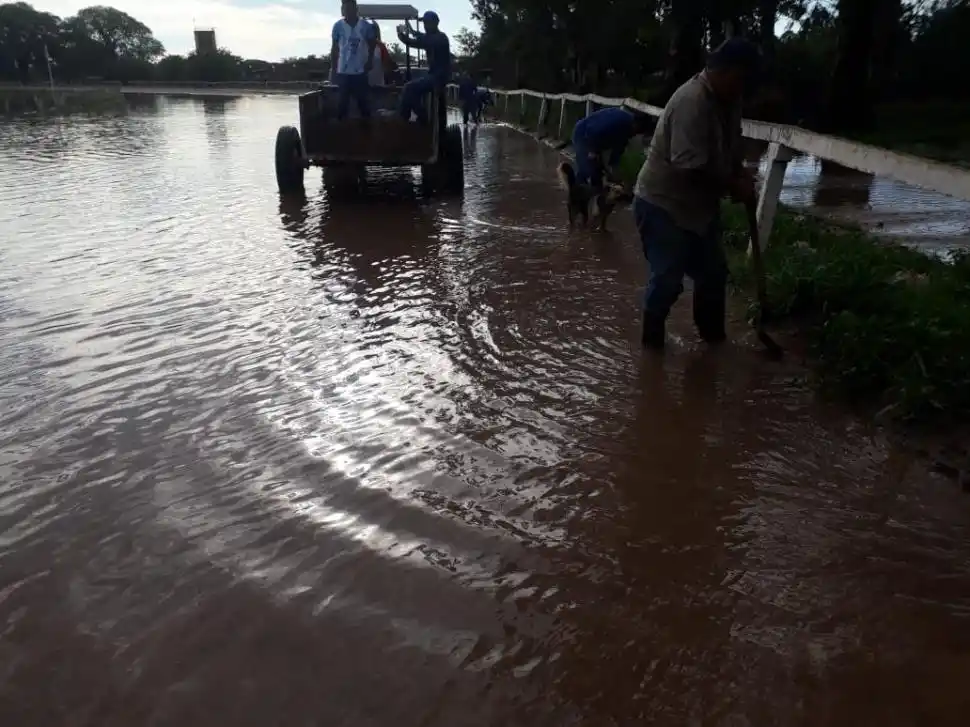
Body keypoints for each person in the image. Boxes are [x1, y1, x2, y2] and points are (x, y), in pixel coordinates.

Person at [632, 37, 761, 350]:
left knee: (713, 273)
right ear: (724, 72)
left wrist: (740, 171)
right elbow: (689, 167)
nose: (743, 87)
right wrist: (733, 186)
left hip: (699, 206)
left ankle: (713, 343)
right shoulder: (692, 101)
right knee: (667, 280)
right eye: (741, 79)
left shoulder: (729, 99)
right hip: (663, 203)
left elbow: (731, 144)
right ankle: (651, 353)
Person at [571, 106, 655, 190]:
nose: (635, 134)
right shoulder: (617, 121)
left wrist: (613, 169)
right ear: (636, 124)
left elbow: (617, 150)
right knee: (586, 168)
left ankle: (596, 194)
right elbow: (593, 130)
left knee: (597, 172)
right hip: (584, 134)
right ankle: (577, 193)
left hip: (595, 138)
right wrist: (593, 151)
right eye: (637, 131)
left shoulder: (627, 130)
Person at [396, 10, 450, 125]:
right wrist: (407, 35)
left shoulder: (441, 38)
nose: (425, 26)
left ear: (436, 23)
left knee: (409, 88)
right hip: (434, 76)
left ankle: (422, 117)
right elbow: (420, 40)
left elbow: (424, 40)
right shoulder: (431, 38)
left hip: (439, 77)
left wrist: (408, 35)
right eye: (424, 23)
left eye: (427, 23)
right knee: (409, 90)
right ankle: (404, 118)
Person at [329, 0, 376, 122]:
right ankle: (341, 132)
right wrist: (333, 69)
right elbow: (335, 49)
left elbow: (372, 45)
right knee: (342, 105)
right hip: (343, 71)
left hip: (360, 71)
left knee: (363, 105)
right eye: (344, 7)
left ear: (355, 8)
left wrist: (370, 61)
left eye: (349, 7)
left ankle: (366, 132)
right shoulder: (337, 26)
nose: (346, 10)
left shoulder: (366, 26)